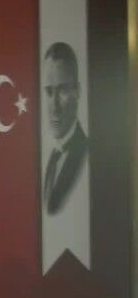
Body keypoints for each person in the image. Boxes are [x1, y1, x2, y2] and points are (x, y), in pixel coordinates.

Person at [42, 41, 88, 215]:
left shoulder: (87, 155)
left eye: (62, 91)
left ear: (78, 91)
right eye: (49, 92)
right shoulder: (51, 158)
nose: (54, 106)